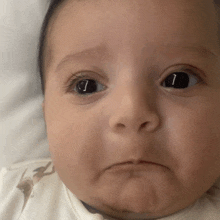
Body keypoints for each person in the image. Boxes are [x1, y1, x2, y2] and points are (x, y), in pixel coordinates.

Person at [1, 0, 220, 219]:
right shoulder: (12, 195)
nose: (132, 114)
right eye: (86, 86)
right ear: (46, 115)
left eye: (178, 80)